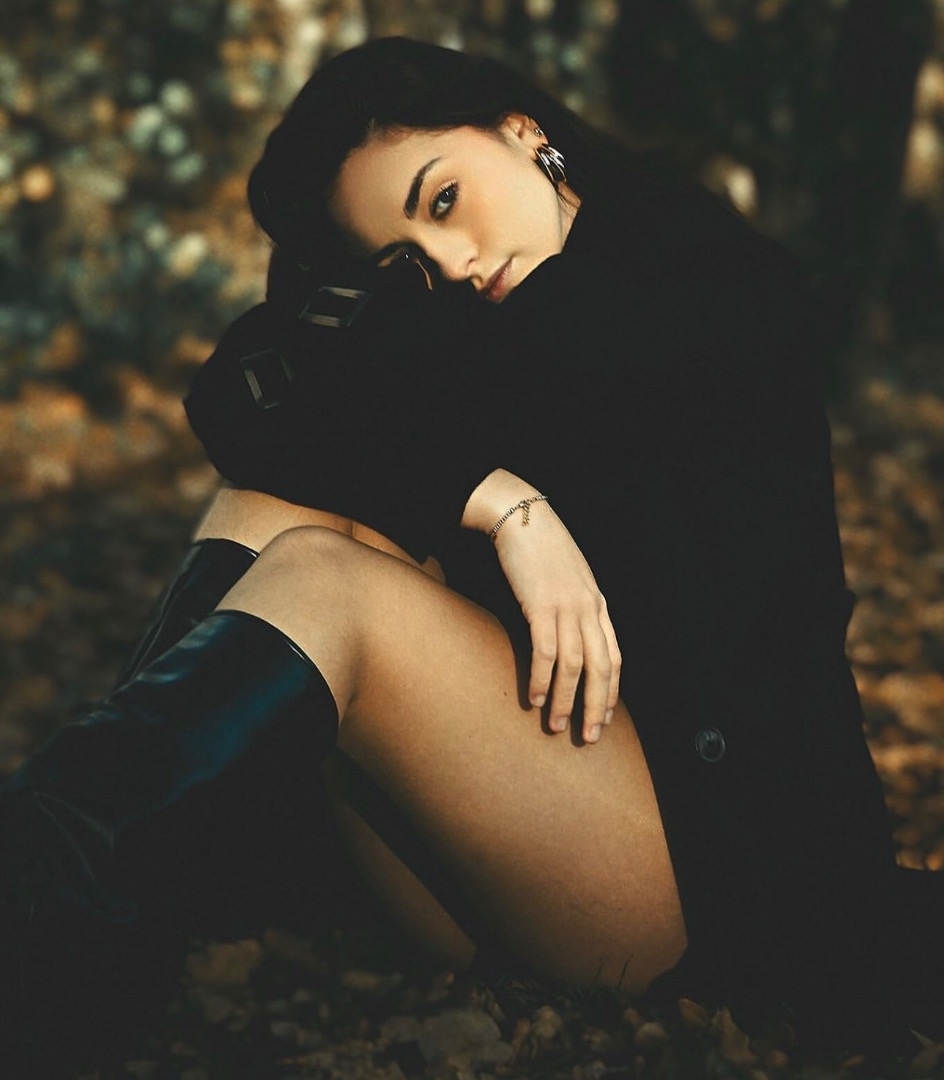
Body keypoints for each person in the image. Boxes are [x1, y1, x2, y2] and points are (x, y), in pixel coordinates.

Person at [1, 36, 940, 1068]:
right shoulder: (458, 324)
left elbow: (564, 369)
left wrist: (435, 435)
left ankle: (57, 904)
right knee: (263, 508)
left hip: (712, 878)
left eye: (442, 200)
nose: (449, 263)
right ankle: (71, 913)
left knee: (323, 577)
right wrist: (501, 504)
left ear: (522, 130)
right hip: (516, 832)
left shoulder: (712, 285)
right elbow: (240, 392)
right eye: (404, 259)